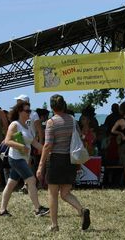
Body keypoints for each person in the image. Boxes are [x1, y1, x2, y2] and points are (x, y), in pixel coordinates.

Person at [36, 94, 90, 232]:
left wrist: (41, 165)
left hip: (55, 160)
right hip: (70, 160)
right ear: (64, 105)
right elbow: (80, 138)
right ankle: (81, 210)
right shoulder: (72, 120)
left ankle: (54, 225)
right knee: (65, 193)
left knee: (53, 194)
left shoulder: (51, 122)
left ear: (51, 107)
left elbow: (48, 145)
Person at [0, 101, 49, 217]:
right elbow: (7, 141)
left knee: (11, 184)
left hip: (23, 159)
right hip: (16, 159)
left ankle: (2, 210)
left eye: (29, 111)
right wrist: (21, 146)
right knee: (31, 180)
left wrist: (47, 151)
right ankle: (38, 209)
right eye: (27, 111)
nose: (29, 113)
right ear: (19, 111)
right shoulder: (14, 124)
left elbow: (35, 143)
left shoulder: (26, 125)